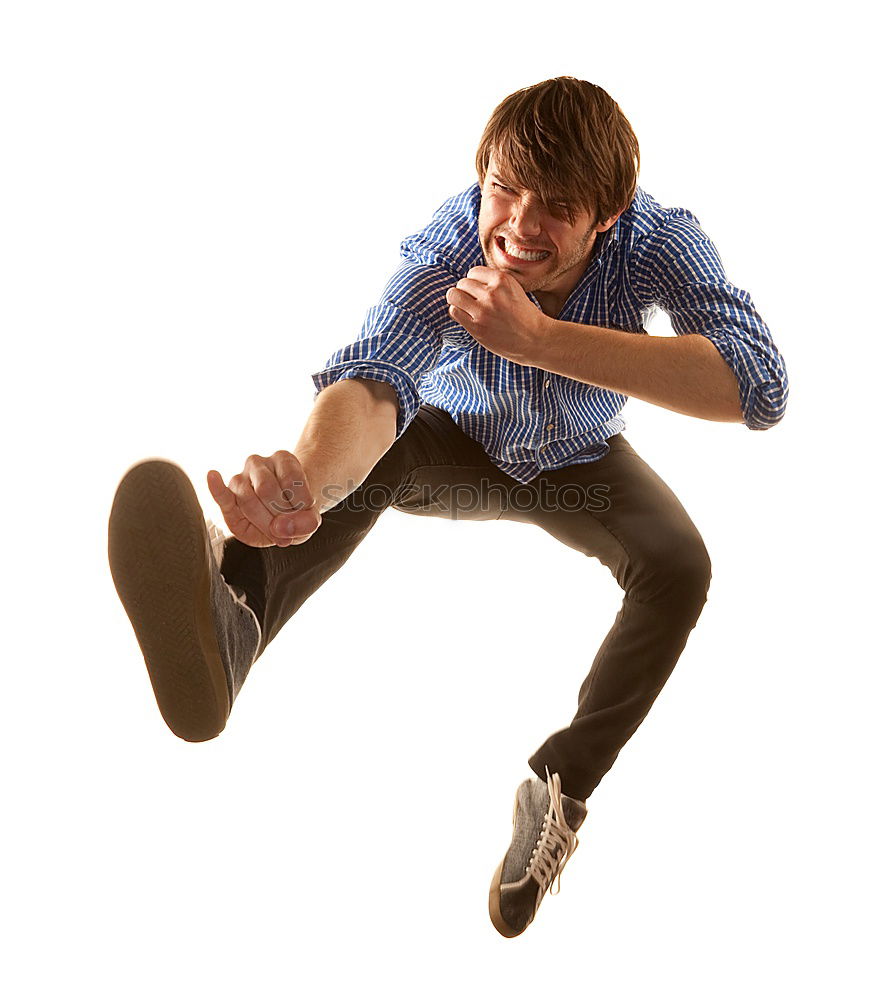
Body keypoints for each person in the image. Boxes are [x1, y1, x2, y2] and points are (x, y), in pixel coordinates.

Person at [108, 76, 789, 938]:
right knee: (368, 459)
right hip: (446, 443)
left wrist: (541, 339)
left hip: (575, 461)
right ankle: (234, 606)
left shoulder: (659, 239)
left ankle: (559, 793)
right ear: (483, 175)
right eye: (504, 189)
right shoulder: (448, 242)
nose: (517, 225)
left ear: (608, 216)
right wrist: (304, 487)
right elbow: (374, 376)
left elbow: (758, 386)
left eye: (558, 208)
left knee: (678, 565)